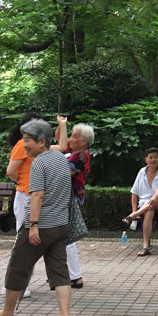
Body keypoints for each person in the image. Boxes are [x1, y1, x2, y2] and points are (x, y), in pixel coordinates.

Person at [0, 119, 74, 316]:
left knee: (17, 268)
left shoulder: (39, 163)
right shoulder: (61, 159)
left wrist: (33, 225)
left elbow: (37, 195)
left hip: (41, 225)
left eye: (27, 141)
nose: (24, 145)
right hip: (61, 224)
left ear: (41, 142)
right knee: (60, 272)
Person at [4, 111, 42, 298]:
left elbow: (61, 147)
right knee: (24, 241)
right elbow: (11, 170)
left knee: (30, 241)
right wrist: (24, 182)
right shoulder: (22, 145)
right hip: (26, 196)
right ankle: (14, 285)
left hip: (33, 196)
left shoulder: (40, 145)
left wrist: (63, 126)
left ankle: (18, 284)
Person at [53, 117, 95, 287]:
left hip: (70, 197)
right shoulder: (72, 150)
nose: (71, 138)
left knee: (66, 237)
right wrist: (61, 124)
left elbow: (66, 172)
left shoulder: (82, 156)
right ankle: (66, 274)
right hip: (63, 196)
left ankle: (76, 276)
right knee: (61, 237)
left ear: (84, 141)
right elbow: (59, 139)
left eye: (75, 136)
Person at [123, 147, 158, 256]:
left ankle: (133, 215)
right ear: (146, 160)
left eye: (156, 157)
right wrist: (134, 209)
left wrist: (152, 200)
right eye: (151, 157)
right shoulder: (141, 172)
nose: (153, 160)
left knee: (157, 197)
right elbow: (134, 193)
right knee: (149, 211)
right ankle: (145, 247)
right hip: (146, 207)